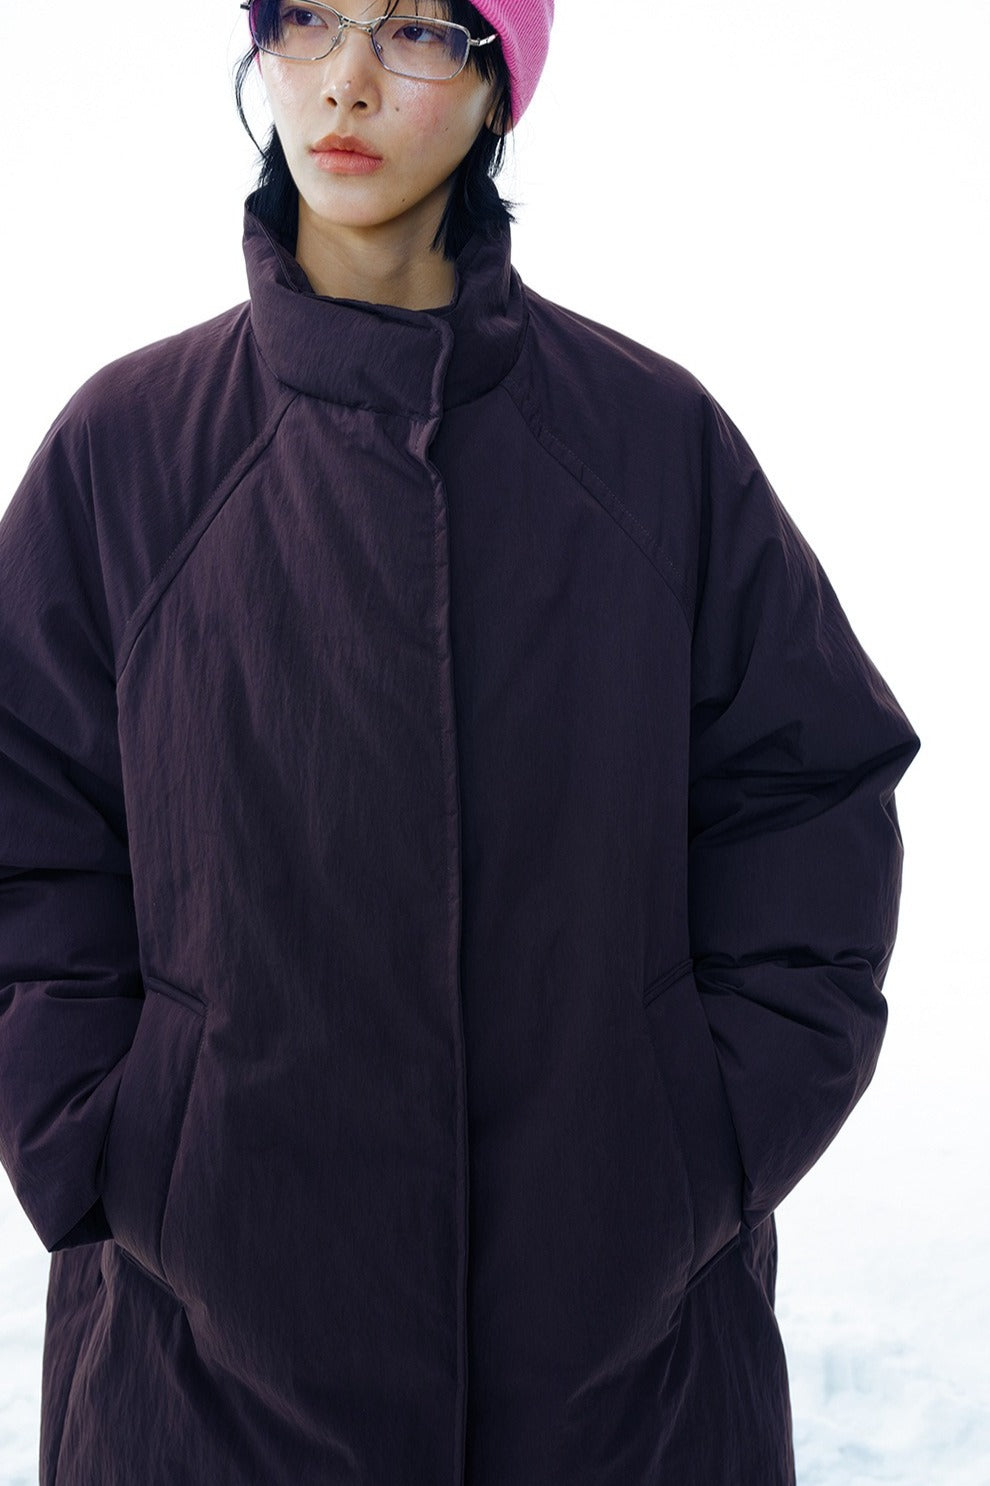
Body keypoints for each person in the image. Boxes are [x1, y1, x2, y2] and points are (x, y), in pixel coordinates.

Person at [0, 2, 919, 1482]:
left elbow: (806, 791)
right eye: (309, 20)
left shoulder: (652, 443)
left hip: (618, 1364)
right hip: (204, 1361)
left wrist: (704, 1139)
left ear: (500, 87)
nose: (348, 81)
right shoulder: (127, 449)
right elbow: (24, 814)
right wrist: (113, 1133)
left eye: (420, 30)